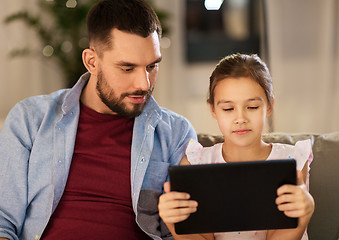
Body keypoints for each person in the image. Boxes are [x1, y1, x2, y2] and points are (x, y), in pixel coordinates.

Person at [0, 0, 196, 239]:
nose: (144, 84)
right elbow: (3, 221)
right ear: (92, 61)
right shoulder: (30, 120)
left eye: (152, 66)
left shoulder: (176, 134)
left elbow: (186, 231)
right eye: (127, 68)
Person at [158, 53, 315, 240]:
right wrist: (173, 223)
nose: (240, 119)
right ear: (213, 109)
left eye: (252, 107)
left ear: (269, 106)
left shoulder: (292, 161)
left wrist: (304, 214)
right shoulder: (197, 164)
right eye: (228, 109)